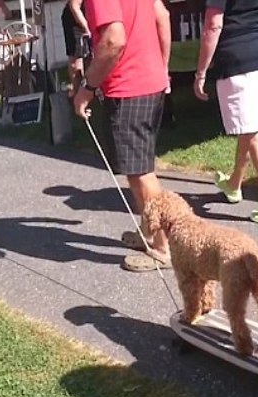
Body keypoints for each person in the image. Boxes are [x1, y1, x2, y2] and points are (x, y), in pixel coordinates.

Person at [73, 0, 173, 272]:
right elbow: (161, 15)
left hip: (129, 87)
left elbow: (113, 40)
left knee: (140, 172)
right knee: (138, 167)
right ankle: (150, 233)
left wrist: (87, 88)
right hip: (150, 81)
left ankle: (163, 249)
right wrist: (162, 66)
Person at [194, 0, 258, 226]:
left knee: (254, 132)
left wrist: (201, 72)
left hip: (240, 63)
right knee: (251, 127)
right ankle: (234, 184)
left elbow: (213, 25)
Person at [61, 0, 90, 97]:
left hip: (90, 16)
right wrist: (87, 29)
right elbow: (74, 7)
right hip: (74, 19)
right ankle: (77, 92)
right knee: (76, 61)